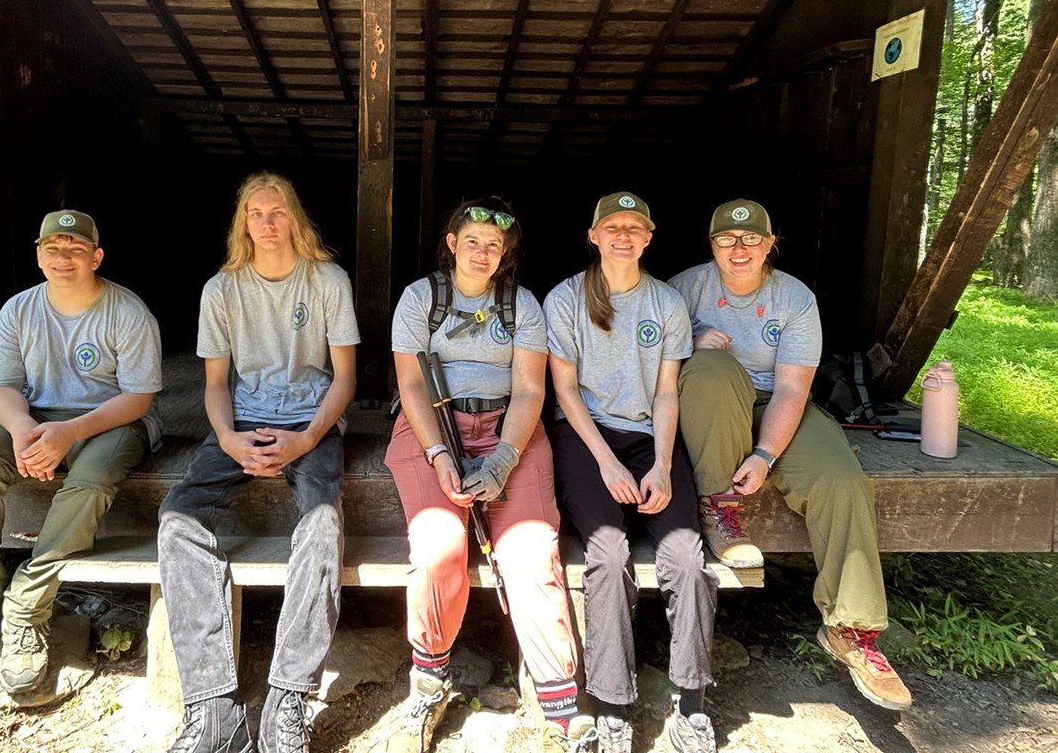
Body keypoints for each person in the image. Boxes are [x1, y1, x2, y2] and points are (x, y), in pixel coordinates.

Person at [669, 199, 912, 712]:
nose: (740, 249)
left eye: (751, 239)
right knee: (713, 367)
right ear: (711, 245)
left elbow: (791, 389)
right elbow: (644, 354)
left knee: (840, 480)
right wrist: (690, 340)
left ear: (770, 243)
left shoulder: (795, 298)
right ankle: (721, 509)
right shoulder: (683, 288)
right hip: (711, 400)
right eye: (727, 240)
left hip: (778, 405)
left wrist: (764, 455)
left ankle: (852, 630)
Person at [384, 198, 594, 753]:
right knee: (439, 548)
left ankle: (560, 705)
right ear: (452, 245)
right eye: (471, 241)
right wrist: (438, 454)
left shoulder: (522, 304)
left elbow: (529, 389)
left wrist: (503, 460)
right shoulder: (420, 299)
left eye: (493, 246)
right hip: (433, 424)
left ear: (505, 255)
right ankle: (429, 679)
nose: (482, 253)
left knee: (530, 553)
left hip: (508, 429)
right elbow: (411, 385)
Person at [159, 172, 359, 753]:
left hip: (311, 419)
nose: (268, 224)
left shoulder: (327, 280)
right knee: (177, 521)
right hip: (241, 420)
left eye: (277, 213)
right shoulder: (221, 289)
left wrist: (305, 439)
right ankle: (213, 706)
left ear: (296, 218)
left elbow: (344, 379)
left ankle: (287, 697)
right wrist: (225, 437)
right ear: (242, 223)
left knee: (321, 524)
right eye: (255, 214)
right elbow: (216, 385)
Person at [0, 210, 163, 697]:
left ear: (96, 256)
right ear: (38, 256)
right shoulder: (18, 310)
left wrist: (66, 433)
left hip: (111, 420)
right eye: (53, 249)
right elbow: (3, 389)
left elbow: (138, 398)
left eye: (76, 249)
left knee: (94, 480)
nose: (64, 258)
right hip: (35, 416)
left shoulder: (127, 311)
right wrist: (21, 430)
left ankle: (28, 605)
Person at [545, 192, 718, 753]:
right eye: (612, 227)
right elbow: (566, 390)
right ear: (593, 235)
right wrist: (607, 461)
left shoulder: (666, 303)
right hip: (586, 437)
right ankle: (612, 705)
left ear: (649, 238)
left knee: (687, 556)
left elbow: (668, 392)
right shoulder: (566, 298)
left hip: (650, 438)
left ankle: (690, 702)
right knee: (608, 551)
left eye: (635, 228)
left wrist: (664, 465)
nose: (624, 236)